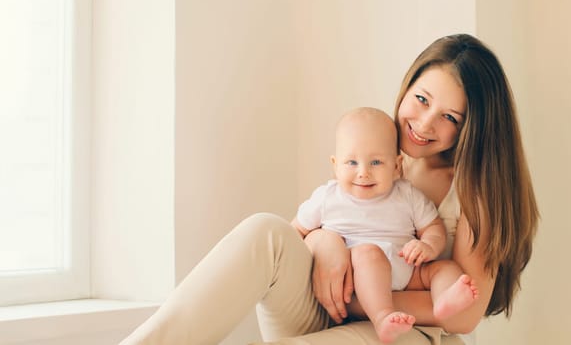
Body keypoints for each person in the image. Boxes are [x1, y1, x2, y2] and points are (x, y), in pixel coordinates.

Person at [121, 33, 539, 345]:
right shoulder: (373, 152)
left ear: (474, 129)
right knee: (265, 231)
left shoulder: (472, 192)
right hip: (327, 309)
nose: (426, 123)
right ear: (407, 87)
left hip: (407, 331)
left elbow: (465, 318)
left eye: (451, 117)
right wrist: (323, 243)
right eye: (422, 99)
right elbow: (306, 227)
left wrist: (368, 300)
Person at [292, 107, 479, 343]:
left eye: (376, 162)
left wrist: (428, 246)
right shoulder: (327, 197)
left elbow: (433, 227)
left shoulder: (407, 194)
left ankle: (442, 302)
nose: (363, 173)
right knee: (369, 253)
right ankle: (382, 317)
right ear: (335, 164)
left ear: (396, 166)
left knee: (446, 268)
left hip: (407, 270)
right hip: (360, 274)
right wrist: (315, 247)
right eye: (351, 162)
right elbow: (295, 232)